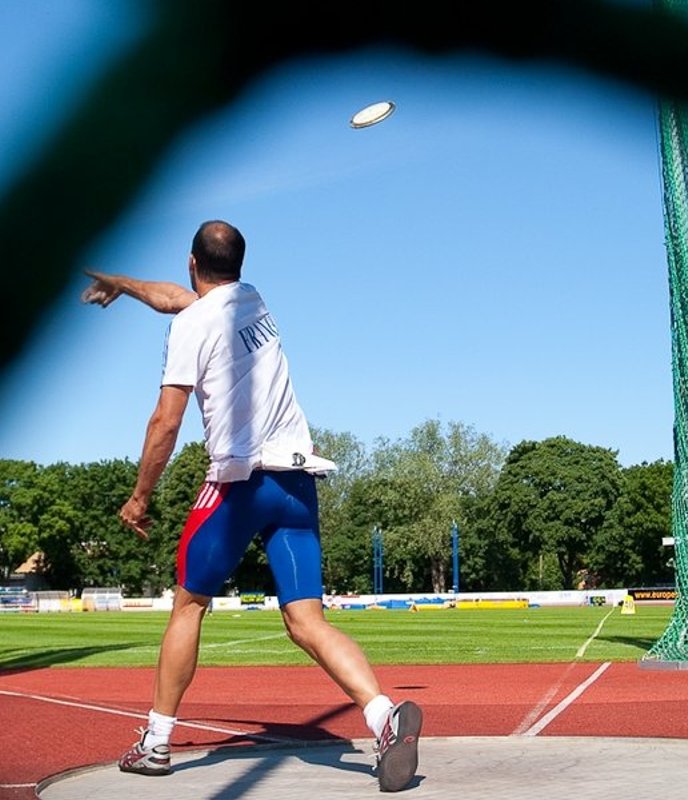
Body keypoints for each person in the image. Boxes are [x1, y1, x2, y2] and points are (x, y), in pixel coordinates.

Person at [82, 220, 422, 792]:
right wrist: (123, 283)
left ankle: (157, 742)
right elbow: (177, 300)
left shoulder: (191, 326)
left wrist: (140, 496)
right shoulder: (252, 299)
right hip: (296, 482)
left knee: (189, 606)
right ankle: (382, 715)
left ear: (192, 262)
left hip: (239, 485)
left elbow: (166, 421)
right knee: (307, 621)